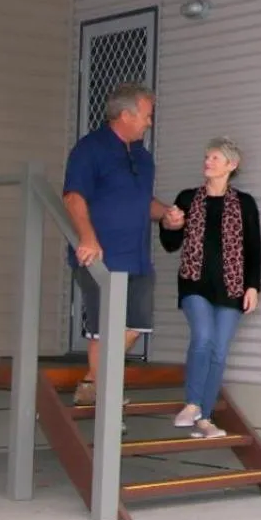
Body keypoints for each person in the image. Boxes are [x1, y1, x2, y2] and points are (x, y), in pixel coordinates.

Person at [62, 82, 179, 407]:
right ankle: (104, 394)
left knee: (137, 325)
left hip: (138, 257)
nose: (149, 122)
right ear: (126, 115)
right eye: (146, 115)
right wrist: (87, 237)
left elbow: (144, 202)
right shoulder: (90, 149)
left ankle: (92, 382)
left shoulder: (142, 156)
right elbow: (73, 197)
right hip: (100, 256)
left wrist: (166, 214)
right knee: (104, 328)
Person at [159, 136, 261, 440]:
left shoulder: (245, 204)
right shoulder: (188, 198)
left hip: (232, 288)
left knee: (219, 350)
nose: (207, 162)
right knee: (203, 338)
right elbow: (170, 244)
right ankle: (192, 404)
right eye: (206, 157)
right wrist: (170, 225)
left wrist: (253, 287)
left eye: (214, 158)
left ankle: (204, 418)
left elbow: (253, 248)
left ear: (231, 165)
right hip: (195, 284)